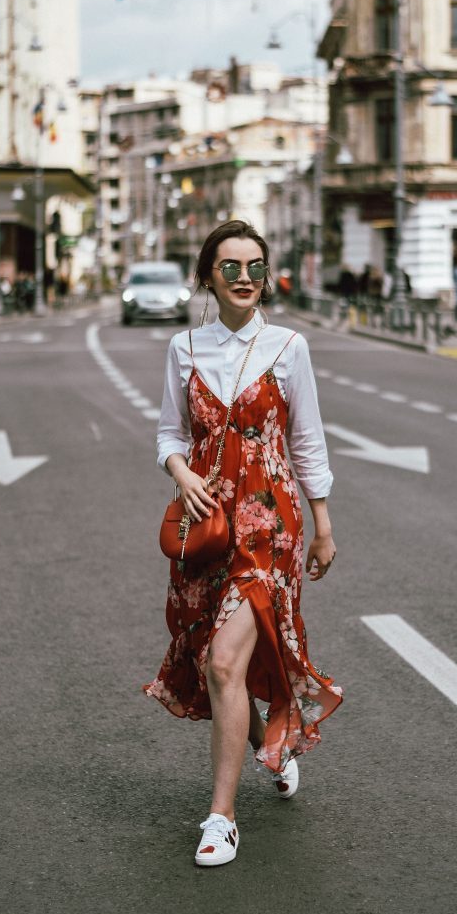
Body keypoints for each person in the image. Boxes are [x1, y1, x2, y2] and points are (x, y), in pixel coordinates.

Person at [145, 220, 343, 868]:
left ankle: (221, 819)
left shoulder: (288, 346)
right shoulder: (185, 348)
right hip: (205, 525)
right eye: (230, 266)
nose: (244, 278)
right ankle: (269, 742)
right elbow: (170, 435)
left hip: (268, 522)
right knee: (212, 659)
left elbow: (307, 439)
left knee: (225, 663)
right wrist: (182, 473)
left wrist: (322, 522)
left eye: (255, 266)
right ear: (208, 276)